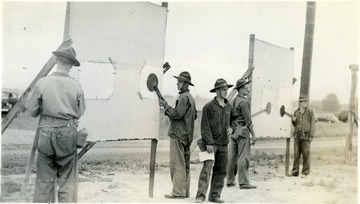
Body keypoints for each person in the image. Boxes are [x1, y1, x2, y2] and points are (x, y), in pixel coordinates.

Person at [25, 46, 86, 202]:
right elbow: (80, 112)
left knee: (44, 183)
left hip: (45, 134)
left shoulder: (42, 82)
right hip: (67, 135)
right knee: (67, 182)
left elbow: (32, 110)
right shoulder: (76, 85)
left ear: (57, 60)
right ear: (71, 65)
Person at [194, 78, 238, 203]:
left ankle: (214, 196)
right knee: (206, 170)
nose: (226, 91)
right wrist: (208, 143)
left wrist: (232, 128)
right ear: (217, 91)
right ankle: (200, 196)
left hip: (224, 144)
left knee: (221, 171)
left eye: (226, 89)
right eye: (224, 89)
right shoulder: (208, 107)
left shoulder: (229, 106)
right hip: (211, 145)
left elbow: (235, 119)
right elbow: (205, 126)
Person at [158, 71, 197, 199]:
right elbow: (194, 115)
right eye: (178, 81)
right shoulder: (191, 98)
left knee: (177, 164)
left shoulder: (183, 98)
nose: (177, 83)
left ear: (186, 84)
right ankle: (185, 192)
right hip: (187, 136)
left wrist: (166, 106)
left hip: (178, 135)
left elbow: (177, 114)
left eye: (180, 81)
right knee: (185, 165)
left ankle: (178, 192)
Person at [226, 78, 257, 190]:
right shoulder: (244, 103)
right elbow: (248, 121)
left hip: (233, 132)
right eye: (246, 87)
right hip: (243, 131)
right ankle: (243, 182)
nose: (248, 89)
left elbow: (228, 118)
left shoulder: (233, 101)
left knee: (232, 157)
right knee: (243, 157)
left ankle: (229, 181)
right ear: (240, 89)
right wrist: (253, 135)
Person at [291, 94, 315, 177]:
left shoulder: (310, 112)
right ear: (300, 103)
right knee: (296, 154)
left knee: (306, 154)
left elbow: (313, 124)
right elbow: (295, 125)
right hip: (297, 136)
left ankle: (305, 172)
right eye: (304, 101)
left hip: (306, 136)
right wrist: (293, 121)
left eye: (307, 101)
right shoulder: (296, 112)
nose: (306, 103)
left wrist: (311, 136)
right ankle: (295, 172)